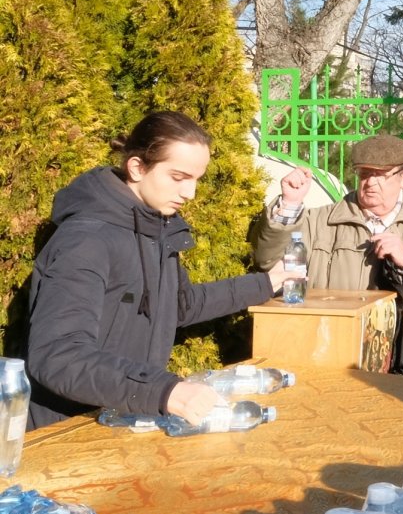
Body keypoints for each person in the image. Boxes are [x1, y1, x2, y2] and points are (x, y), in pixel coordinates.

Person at [25, 111, 290, 429]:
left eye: (196, 180)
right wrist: (163, 391)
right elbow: (57, 355)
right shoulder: (86, 240)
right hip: (66, 432)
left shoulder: (158, 232)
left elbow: (180, 305)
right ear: (137, 167)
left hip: (123, 422)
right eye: (178, 178)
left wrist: (267, 283)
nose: (189, 194)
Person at [253, 134, 403, 376]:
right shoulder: (320, 221)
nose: (370, 183)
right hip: (326, 357)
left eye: (380, 175)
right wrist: (290, 205)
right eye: (364, 174)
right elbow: (268, 262)